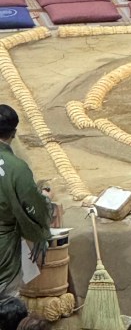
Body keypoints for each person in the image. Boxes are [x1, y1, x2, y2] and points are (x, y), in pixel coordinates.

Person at [0, 105, 51, 296]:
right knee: (6, 302)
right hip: (3, 248)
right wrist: (45, 201)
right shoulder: (17, 169)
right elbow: (33, 207)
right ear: (13, 133)